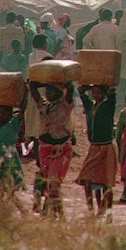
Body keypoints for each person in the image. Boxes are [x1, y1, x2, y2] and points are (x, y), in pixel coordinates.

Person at [30, 81, 75, 217]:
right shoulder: (43, 104)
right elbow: (32, 85)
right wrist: (45, 80)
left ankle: (52, 213)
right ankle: (57, 214)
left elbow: (71, 87)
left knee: (53, 182)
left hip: (62, 149)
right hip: (45, 149)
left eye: (52, 90)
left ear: (60, 92)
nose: (48, 93)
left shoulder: (65, 104)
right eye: (47, 90)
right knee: (48, 181)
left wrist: (57, 79)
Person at [76, 84, 119, 220]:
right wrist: (89, 87)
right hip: (94, 147)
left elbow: (112, 92)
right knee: (87, 177)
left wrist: (107, 87)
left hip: (107, 147)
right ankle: (91, 209)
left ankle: (109, 212)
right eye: (94, 93)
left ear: (105, 94)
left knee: (107, 182)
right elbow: (81, 92)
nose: (96, 95)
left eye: (99, 93)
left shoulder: (108, 106)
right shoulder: (91, 107)